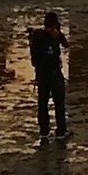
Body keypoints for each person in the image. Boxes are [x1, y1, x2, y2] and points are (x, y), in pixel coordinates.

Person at [28, 11, 69, 142]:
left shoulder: (37, 36)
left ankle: (44, 131)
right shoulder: (54, 36)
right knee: (59, 103)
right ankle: (60, 131)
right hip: (54, 73)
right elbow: (66, 44)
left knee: (43, 103)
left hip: (41, 74)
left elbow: (34, 59)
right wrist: (58, 34)